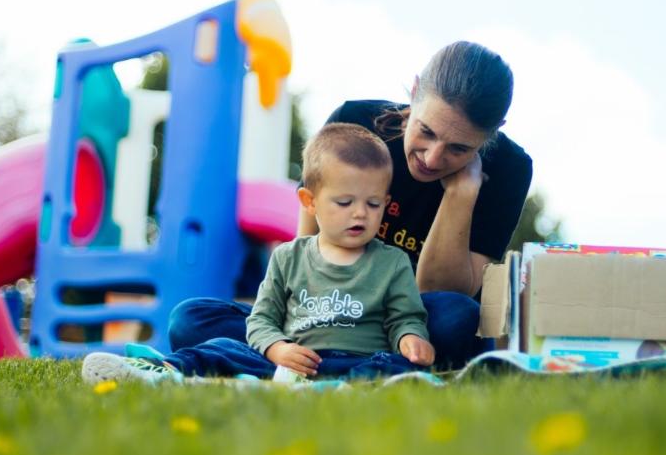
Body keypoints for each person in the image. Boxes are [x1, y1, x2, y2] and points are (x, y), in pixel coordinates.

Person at [168, 40, 533, 369]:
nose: (433, 158)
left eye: (459, 149)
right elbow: (303, 253)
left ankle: (305, 363)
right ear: (416, 90)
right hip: (317, 313)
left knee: (458, 318)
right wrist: (292, 327)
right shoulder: (355, 123)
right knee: (190, 319)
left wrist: (460, 195)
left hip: (408, 324)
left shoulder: (509, 170)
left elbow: (438, 291)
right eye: (426, 131)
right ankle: (346, 364)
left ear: (493, 133)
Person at [82, 123, 435, 383]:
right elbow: (262, 319)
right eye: (344, 202)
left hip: (356, 360)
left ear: (386, 204)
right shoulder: (288, 258)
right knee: (223, 345)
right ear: (309, 202)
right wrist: (278, 349)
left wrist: (410, 338)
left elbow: (405, 316)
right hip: (289, 362)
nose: (360, 213)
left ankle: (360, 386)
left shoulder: (391, 262)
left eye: (373, 204)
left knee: (394, 367)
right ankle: (165, 372)